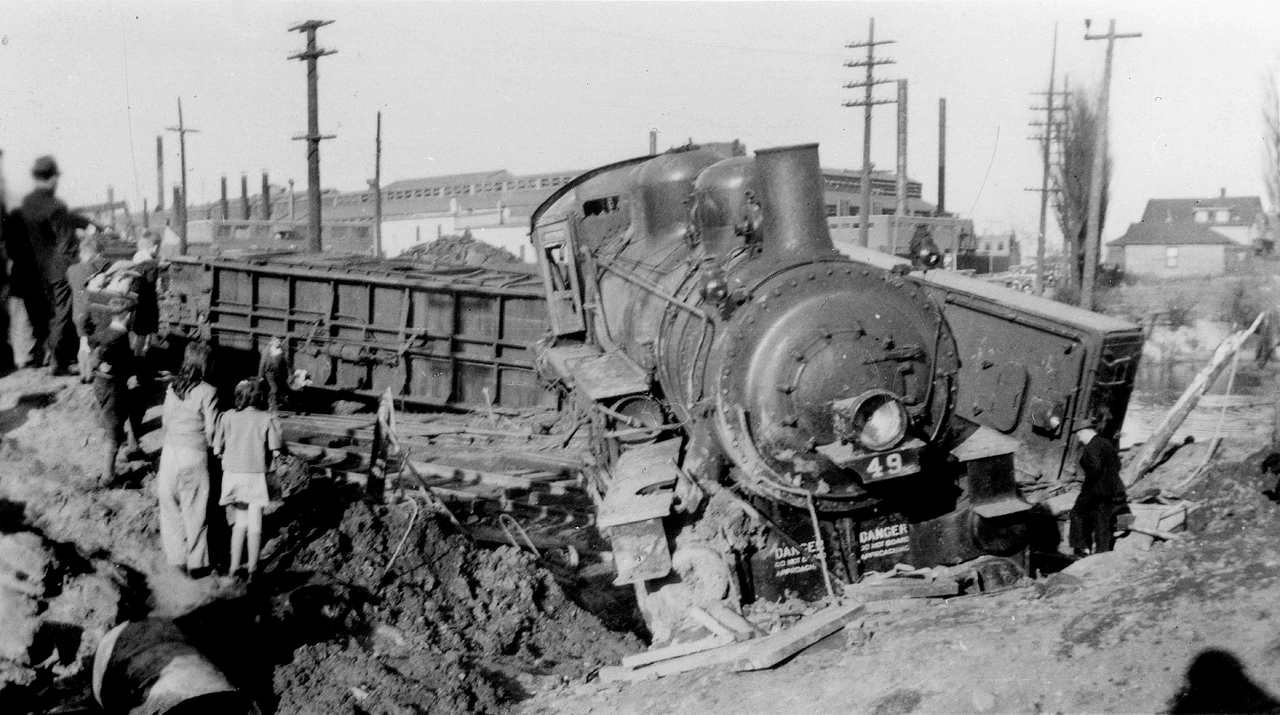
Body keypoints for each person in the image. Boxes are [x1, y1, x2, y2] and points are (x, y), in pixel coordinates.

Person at [23, 156, 97, 375]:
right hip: (60, 266)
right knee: (64, 313)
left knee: (53, 312)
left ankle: (53, 356)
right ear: (52, 178)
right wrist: (78, 263)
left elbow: (67, 218)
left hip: (41, 266)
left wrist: (89, 222)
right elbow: (65, 240)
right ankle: (59, 363)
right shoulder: (56, 205)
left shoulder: (29, 202)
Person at [157, 341, 219, 577]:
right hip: (195, 455)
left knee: (169, 507)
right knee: (195, 511)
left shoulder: (173, 387)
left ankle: (177, 559)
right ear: (206, 364)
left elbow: (164, 422)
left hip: (170, 454)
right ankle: (197, 564)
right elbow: (212, 430)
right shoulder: (208, 391)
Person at [214, 379, 281, 581]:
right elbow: (276, 451)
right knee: (255, 522)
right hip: (256, 476)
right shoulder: (266, 418)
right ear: (260, 397)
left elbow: (217, 449)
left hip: (233, 475)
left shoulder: (227, 417)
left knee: (239, 520)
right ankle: (252, 568)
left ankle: (234, 568)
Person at [88, 298, 140, 484]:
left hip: (102, 384)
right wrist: (104, 362)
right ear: (128, 315)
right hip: (113, 386)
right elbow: (106, 352)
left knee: (115, 420)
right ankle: (108, 476)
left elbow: (92, 341)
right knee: (114, 429)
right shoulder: (118, 337)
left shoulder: (106, 332)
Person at [1069, 410, 1128, 556]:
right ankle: (1103, 553)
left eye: (1080, 434)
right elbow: (1117, 465)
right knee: (1102, 520)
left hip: (1096, 489)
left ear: (1086, 431)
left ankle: (1082, 548)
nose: (1079, 438)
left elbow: (1095, 468)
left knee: (1077, 513)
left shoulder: (1091, 448)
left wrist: (1087, 488)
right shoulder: (1105, 442)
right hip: (1112, 489)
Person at [66, 233, 110, 381]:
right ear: (96, 254)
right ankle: (91, 373)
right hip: (91, 311)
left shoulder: (71, 269)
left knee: (82, 342)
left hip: (77, 312)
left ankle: (83, 375)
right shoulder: (94, 268)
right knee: (92, 343)